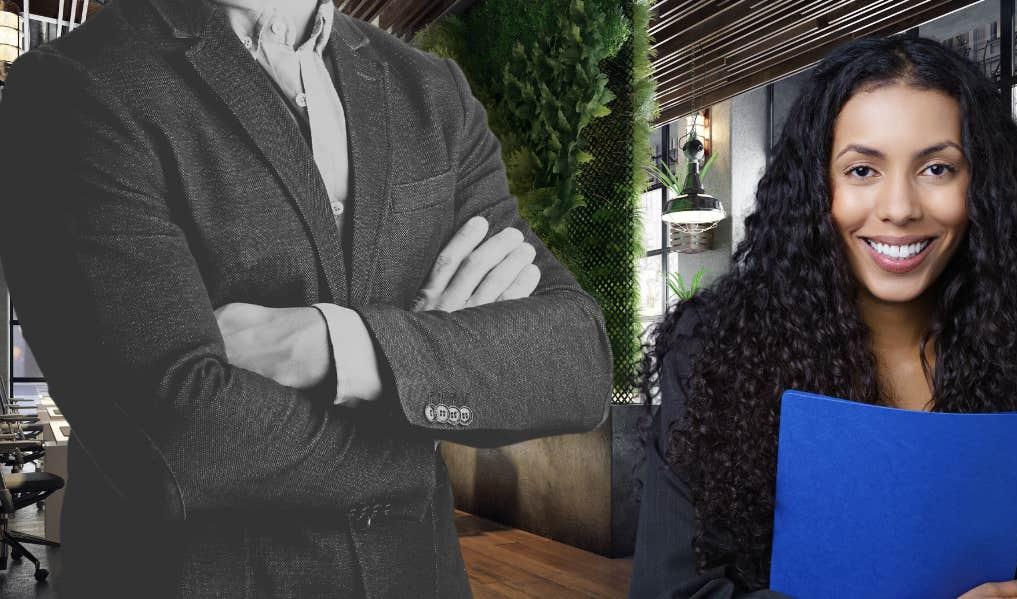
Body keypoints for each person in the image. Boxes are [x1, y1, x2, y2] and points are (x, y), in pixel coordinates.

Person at [0, 0, 613, 596]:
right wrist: (422, 412)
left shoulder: (433, 90)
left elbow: (577, 363)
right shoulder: (70, 87)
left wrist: (334, 345)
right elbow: (177, 446)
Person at [629, 36, 1017, 599]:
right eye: (861, 171)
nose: (900, 207)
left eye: (936, 168)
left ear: (983, 187)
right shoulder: (715, 349)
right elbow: (672, 590)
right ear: (815, 187)